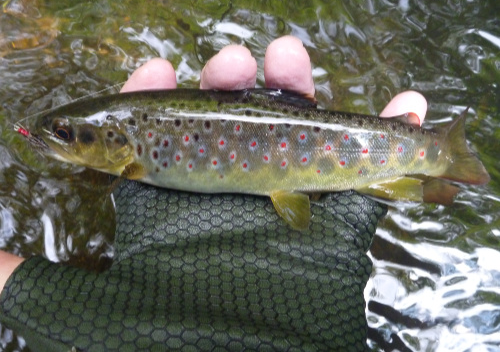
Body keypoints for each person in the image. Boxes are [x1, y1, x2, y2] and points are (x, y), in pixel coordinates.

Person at [0, 36, 427, 351]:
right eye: (64, 134)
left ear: (115, 140)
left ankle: (436, 155)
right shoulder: (128, 148)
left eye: (67, 135)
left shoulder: (133, 162)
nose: (60, 140)